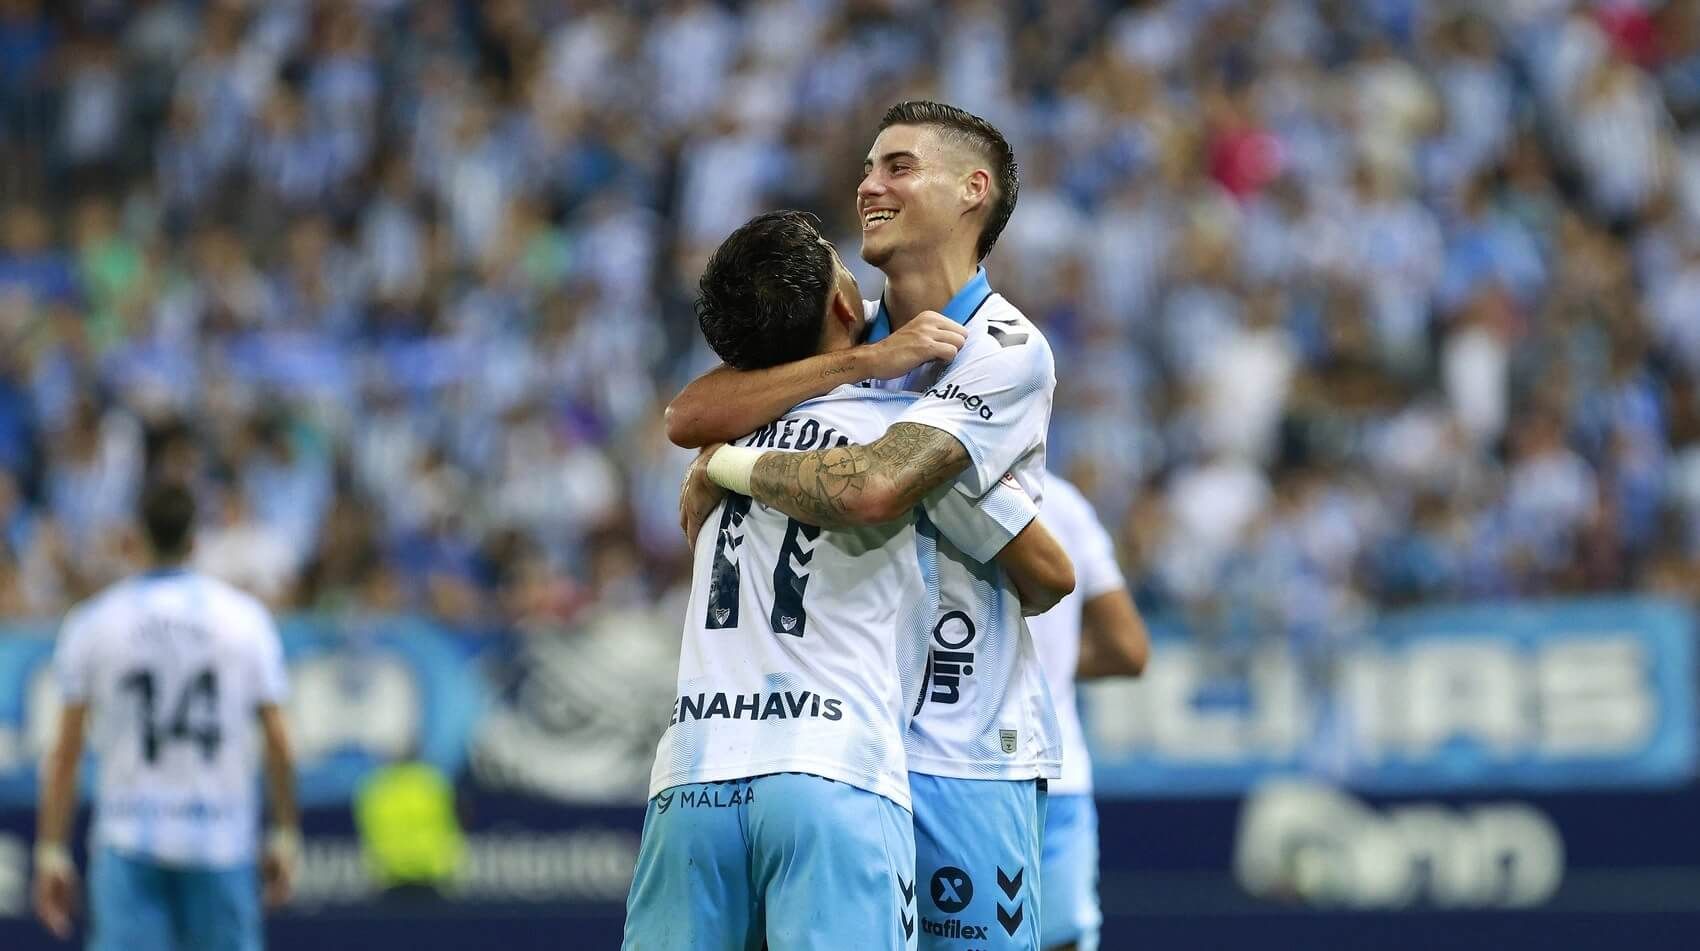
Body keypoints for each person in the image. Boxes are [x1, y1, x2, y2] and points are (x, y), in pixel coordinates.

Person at [624, 210, 1073, 951]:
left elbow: (685, 413)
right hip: (834, 766)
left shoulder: (727, 429)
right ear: (841, 305)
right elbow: (1050, 573)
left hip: (692, 772)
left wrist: (723, 464)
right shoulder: (902, 427)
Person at [33, 481, 299, 951]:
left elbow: (66, 752)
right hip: (221, 836)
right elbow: (279, 742)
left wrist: (52, 848)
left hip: (129, 834)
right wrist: (285, 832)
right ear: (196, 541)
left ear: (134, 538)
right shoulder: (245, 620)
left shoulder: (94, 623)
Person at [1026, 474, 1151, 951]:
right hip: (1059, 775)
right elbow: (1128, 649)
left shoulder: (916, 482)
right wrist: (1044, 662)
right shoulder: (1065, 503)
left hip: (945, 771)